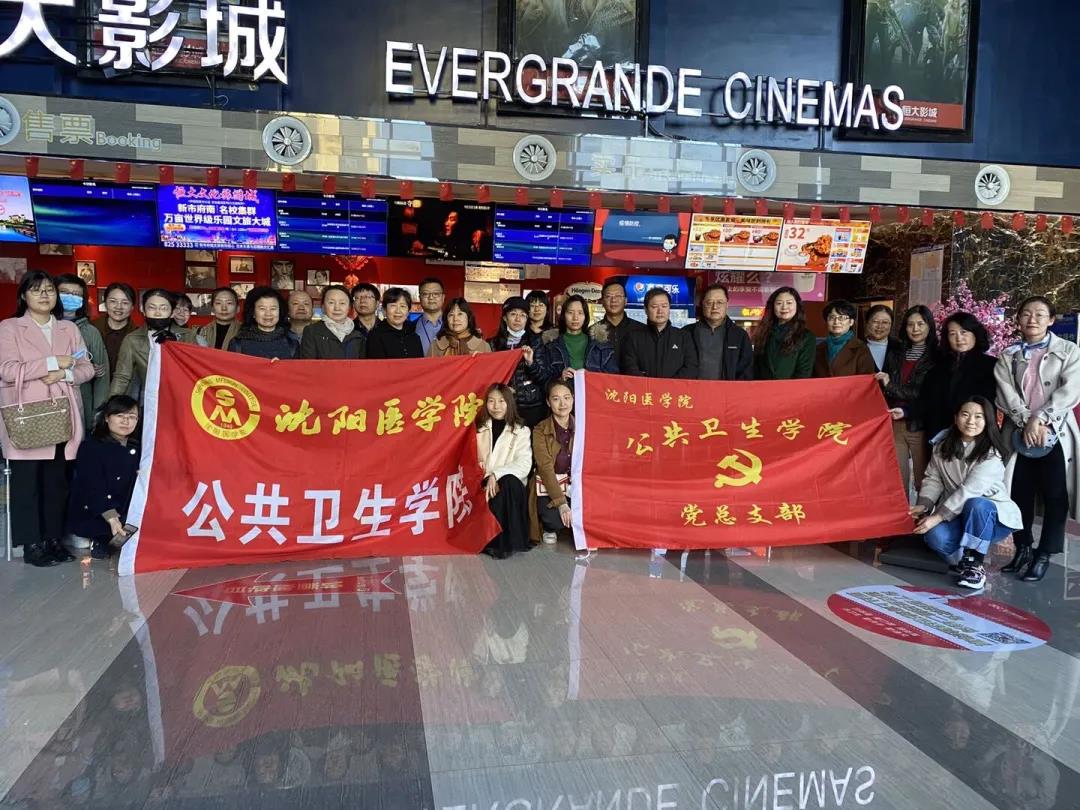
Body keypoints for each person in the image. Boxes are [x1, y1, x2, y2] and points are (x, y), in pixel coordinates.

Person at [0, 271, 95, 567]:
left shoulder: (68, 328)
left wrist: (64, 374)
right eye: (36, 290)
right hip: (28, 416)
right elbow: (7, 369)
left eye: (49, 290)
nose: (44, 295)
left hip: (64, 414)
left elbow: (86, 368)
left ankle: (54, 539)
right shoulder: (10, 327)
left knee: (57, 484)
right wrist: (52, 363)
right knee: (27, 484)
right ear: (23, 296)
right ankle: (32, 544)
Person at [995, 296, 1080, 582]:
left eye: (1040, 314)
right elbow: (1004, 392)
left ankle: (1044, 553)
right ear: (1018, 319)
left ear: (1051, 320)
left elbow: (1071, 390)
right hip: (1018, 433)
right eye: (1026, 314)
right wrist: (1025, 420)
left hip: (1055, 431)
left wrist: (1041, 418)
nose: (1032, 319)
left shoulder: (1069, 351)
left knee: (1056, 494)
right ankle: (1023, 548)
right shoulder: (1008, 355)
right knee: (1018, 492)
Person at [911, 396, 1022, 590]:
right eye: (965, 414)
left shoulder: (992, 454)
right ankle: (965, 551)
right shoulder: (942, 446)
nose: (971, 421)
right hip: (957, 513)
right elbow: (933, 479)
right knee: (934, 537)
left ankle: (975, 563)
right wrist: (924, 505)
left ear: (987, 422)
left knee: (976, 503)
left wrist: (937, 517)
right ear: (955, 418)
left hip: (990, 517)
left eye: (979, 416)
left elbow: (969, 491)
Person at [66, 395, 141, 560]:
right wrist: (111, 518)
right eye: (120, 416)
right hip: (98, 511)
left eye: (131, 417)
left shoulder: (138, 447)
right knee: (104, 543)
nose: (126, 421)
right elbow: (92, 488)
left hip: (126, 512)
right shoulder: (91, 447)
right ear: (107, 418)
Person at [878, 305, 937, 495]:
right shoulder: (895, 353)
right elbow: (884, 387)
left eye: (920, 324)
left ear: (929, 326)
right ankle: (902, 514)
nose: (915, 329)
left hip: (921, 424)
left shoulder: (937, 356)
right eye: (910, 324)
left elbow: (924, 394)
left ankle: (923, 514)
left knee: (924, 481)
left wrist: (890, 386)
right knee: (897, 480)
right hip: (894, 422)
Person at [919, 312, 997, 442]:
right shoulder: (938, 367)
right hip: (939, 434)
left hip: (975, 433)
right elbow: (925, 400)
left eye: (964, 332)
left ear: (975, 334)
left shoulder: (991, 365)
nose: (959, 338)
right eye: (952, 334)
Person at [110, 289, 198, 401]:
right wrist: (111, 404)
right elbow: (122, 377)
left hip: (182, 398)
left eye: (163, 308)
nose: (157, 313)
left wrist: (174, 345)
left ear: (172, 312)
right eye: (152, 308)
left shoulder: (188, 336)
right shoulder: (132, 339)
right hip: (148, 399)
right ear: (143, 310)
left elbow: (196, 370)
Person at [476, 383, 532, 559]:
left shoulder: (521, 430)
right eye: (491, 401)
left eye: (501, 401)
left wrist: (496, 474)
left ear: (509, 403)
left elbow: (524, 464)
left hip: (509, 485)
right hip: (483, 482)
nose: (496, 406)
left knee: (508, 483)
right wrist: (488, 477)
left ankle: (505, 543)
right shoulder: (479, 428)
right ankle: (491, 541)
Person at [56, 273, 109, 431]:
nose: (71, 297)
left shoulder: (90, 332)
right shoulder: (40, 327)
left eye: (76, 294)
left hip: (81, 398)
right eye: (64, 292)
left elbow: (102, 375)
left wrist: (97, 412)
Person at [490, 296, 547, 427]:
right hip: (502, 405)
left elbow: (543, 378)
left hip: (530, 406)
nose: (518, 319)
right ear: (505, 318)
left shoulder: (535, 341)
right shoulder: (493, 344)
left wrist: (531, 363)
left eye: (522, 315)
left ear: (527, 319)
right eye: (513, 314)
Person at [531, 380, 574, 545]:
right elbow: (545, 467)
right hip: (550, 484)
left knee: (587, 517)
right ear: (548, 402)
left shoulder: (583, 425)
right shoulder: (540, 429)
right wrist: (561, 503)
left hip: (575, 486)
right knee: (554, 521)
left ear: (573, 399)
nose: (562, 404)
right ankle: (550, 528)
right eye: (556, 399)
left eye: (567, 398)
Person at [621, 288, 699, 379]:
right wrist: (648, 384)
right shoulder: (633, 337)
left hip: (675, 388)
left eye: (664, 306)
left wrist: (667, 385)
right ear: (646, 310)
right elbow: (629, 367)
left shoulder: (684, 337)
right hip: (643, 387)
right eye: (654, 307)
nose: (660, 311)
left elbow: (691, 367)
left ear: (669, 308)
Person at [541, 294, 617, 380]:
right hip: (563, 388)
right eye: (570, 312)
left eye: (580, 313)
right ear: (563, 315)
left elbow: (613, 378)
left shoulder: (601, 345)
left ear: (586, 316)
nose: (575, 318)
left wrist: (590, 377)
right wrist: (560, 379)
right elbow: (543, 379)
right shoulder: (551, 345)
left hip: (591, 389)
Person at [689, 282, 753, 380]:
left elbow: (746, 370)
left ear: (727, 304)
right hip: (693, 388)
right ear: (702, 304)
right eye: (709, 302)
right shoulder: (687, 333)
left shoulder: (740, 335)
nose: (715, 307)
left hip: (727, 389)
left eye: (720, 302)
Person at [753, 287, 817, 380]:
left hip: (792, 388)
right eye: (779, 303)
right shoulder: (763, 333)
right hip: (763, 387)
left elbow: (804, 373)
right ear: (772, 306)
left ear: (797, 306)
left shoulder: (807, 337)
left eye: (789, 303)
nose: (784, 307)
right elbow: (755, 367)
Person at [228, 287, 299, 360]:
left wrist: (281, 365)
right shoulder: (237, 344)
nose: (268, 314)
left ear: (280, 312)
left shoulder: (292, 344)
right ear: (253, 313)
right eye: (262, 308)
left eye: (273, 308)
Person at [297, 285, 365, 360]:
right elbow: (307, 364)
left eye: (342, 303)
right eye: (331, 302)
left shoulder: (357, 336)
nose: (337, 308)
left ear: (349, 307)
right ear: (323, 307)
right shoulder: (312, 332)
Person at [814, 299, 876, 378]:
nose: (836, 322)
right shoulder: (818, 348)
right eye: (832, 317)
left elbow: (866, 379)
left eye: (842, 318)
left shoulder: (860, 348)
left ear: (851, 322)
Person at [596, 279, 645, 368]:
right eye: (608, 296)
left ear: (625, 301)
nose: (613, 300)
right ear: (602, 302)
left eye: (618, 296)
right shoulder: (592, 331)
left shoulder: (642, 330)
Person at [92, 282, 137, 377]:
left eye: (125, 303)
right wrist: (88, 368)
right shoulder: (91, 329)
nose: (118, 307)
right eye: (113, 301)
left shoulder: (139, 335)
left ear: (132, 307)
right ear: (105, 303)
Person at [366, 288, 424, 359]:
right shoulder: (375, 336)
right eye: (393, 306)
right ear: (384, 310)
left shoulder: (414, 336)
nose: (398, 311)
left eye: (402, 306)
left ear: (408, 311)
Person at [414, 277, 445, 356]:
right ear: (420, 298)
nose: (431, 297)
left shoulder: (455, 324)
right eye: (425, 294)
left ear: (443, 297)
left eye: (436, 294)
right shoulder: (411, 327)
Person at [864, 305, 898, 372]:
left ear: (891, 325)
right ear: (867, 323)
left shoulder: (900, 348)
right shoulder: (857, 348)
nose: (880, 326)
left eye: (885, 322)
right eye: (875, 321)